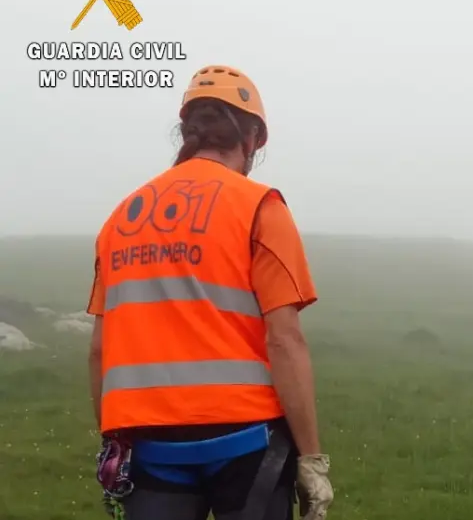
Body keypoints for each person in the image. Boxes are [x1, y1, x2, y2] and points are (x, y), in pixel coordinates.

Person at [86, 65, 334, 520]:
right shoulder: (260, 206)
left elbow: (100, 349)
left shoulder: (121, 218)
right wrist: (311, 459)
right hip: (246, 441)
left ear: (187, 132)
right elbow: (284, 339)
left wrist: (115, 439)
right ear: (252, 138)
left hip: (150, 444)